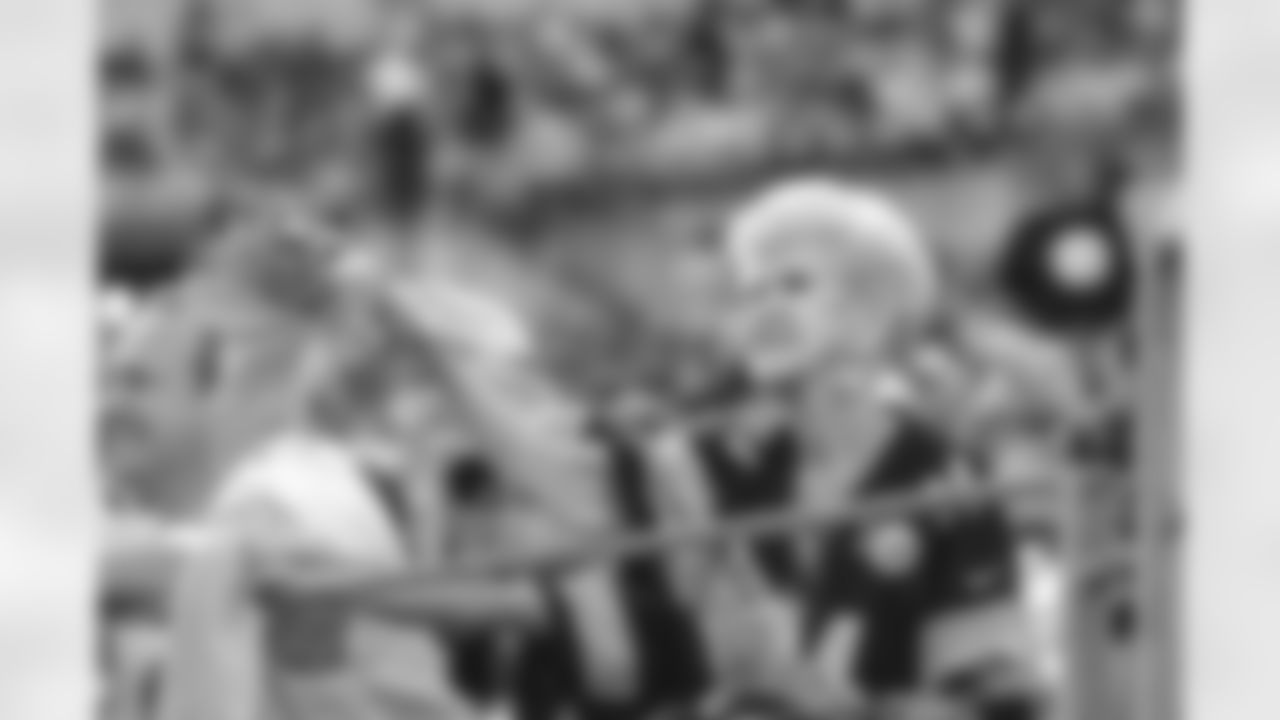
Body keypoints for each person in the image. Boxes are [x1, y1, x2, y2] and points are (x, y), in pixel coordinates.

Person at [711, 177, 1036, 719]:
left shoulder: (946, 484)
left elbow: (996, 701)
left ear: (873, 308)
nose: (763, 312)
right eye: (749, 292)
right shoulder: (734, 477)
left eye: (794, 284)